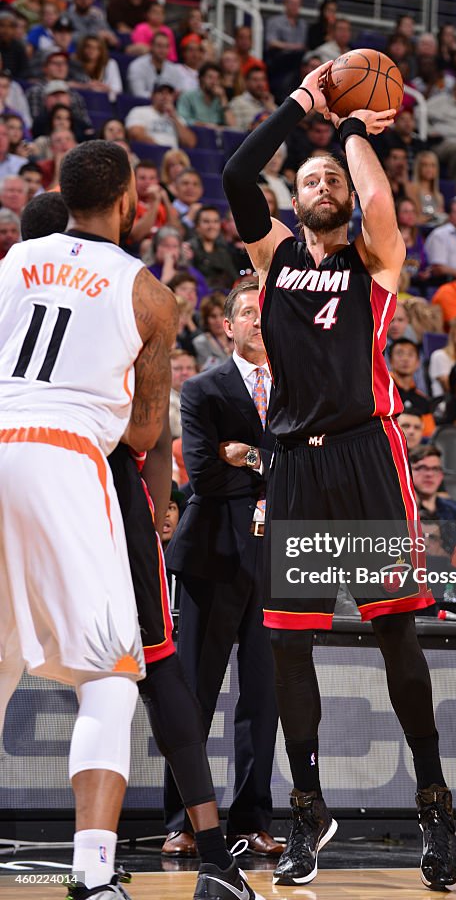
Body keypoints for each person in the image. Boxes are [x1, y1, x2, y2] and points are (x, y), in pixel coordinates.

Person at [222, 59, 456, 891]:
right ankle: (306, 807)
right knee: (290, 648)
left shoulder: (374, 259)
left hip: (367, 456)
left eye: (333, 179)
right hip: (294, 466)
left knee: (397, 629)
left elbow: (382, 206)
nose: (323, 183)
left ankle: (433, 800)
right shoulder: (274, 256)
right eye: (309, 178)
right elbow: (233, 171)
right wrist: (304, 108)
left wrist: (356, 132)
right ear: (293, 201)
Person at [19, 192, 263, 900]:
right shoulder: (122, 297)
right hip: (101, 485)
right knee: (147, 671)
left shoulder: (19, 286)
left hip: (20, 465)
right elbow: (146, 437)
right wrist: (156, 508)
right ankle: (207, 855)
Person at [0, 141, 176, 897]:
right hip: (65, 460)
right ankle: (94, 872)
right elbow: (143, 431)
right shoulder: (148, 294)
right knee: (109, 677)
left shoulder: (11, 262)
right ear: (129, 197)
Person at [164, 281, 283, 859]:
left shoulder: (300, 388)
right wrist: (270, 466)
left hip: (275, 559)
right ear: (226, 327)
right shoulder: (201, 387)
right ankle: (184, 821)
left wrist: (250, 454)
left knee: (263, 698)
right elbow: (206, 476)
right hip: (212, 557)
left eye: (266, 315)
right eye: (247, 314)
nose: (258, 323)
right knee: (195, 695)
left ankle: (250, 820)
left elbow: (305, 471)